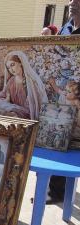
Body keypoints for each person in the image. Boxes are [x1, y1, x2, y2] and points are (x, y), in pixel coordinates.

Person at [47, 0, 80, 204]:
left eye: (77, 0)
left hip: (76, 95)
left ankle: (62, 191)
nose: (71, 3)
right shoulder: (66, 28)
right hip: (62, 94)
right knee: (58, 138)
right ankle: (55, 191)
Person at [0, 51, 48, 120]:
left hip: (27, 115)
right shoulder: (11, 81)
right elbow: (3, 95)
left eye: (12, 65)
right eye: (8, 67)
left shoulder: (31, 82)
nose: (11, 70)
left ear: (20, 63)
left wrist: (16, 110)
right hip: (16, 112)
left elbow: (33, 107)